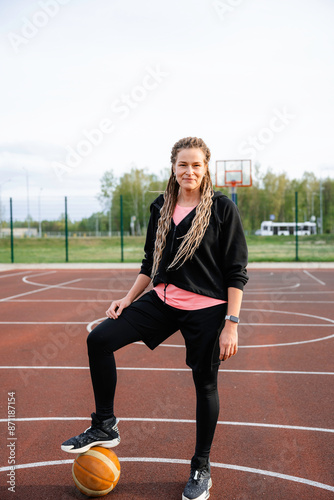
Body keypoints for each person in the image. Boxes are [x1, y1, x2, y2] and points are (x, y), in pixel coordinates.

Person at [61, 137, 249, 500]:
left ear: (206, 167)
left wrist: (231, 323)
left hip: (207, 310)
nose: (189, 171)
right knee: (99, 339)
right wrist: (127, 299)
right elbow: (151, 262)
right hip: (162, 300)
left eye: (196, 165)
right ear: (173, 168)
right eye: (183, 165)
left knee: (205, 384)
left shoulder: (222, 209)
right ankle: (104, 425)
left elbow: (236, 271)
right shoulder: (162, 206)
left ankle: (201, 466)